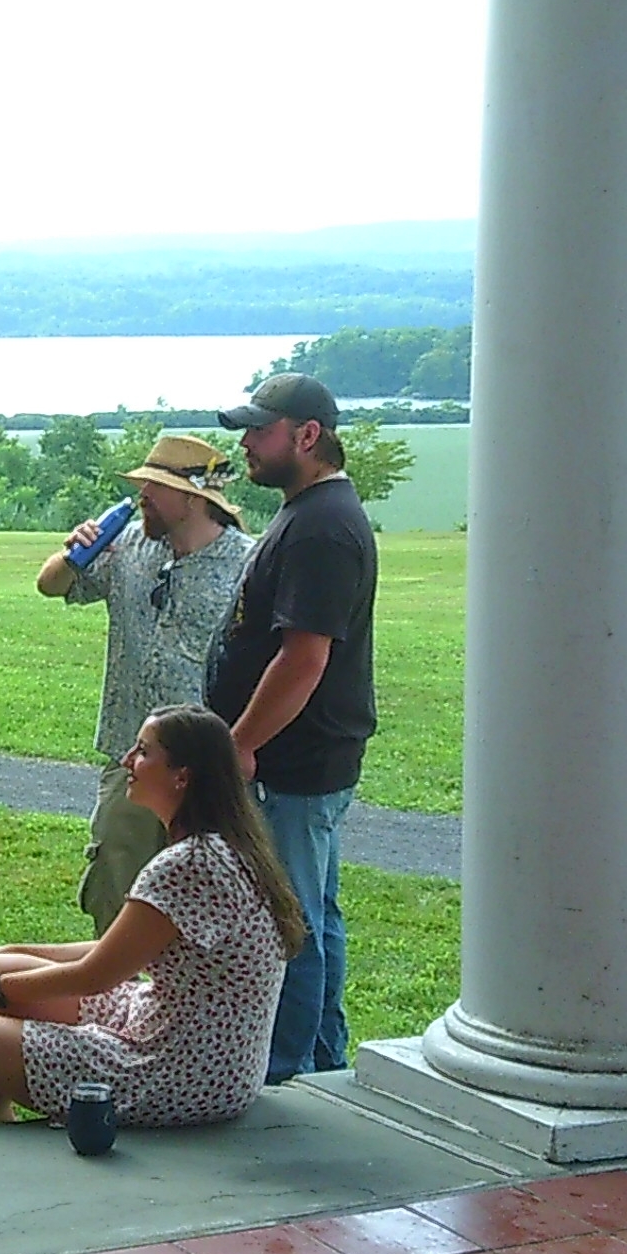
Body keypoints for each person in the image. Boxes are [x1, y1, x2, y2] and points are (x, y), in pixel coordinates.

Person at [0, 707, 302, 1134]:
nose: (126, 761)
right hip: (193, 1046)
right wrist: (9, 955)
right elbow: (119, 949)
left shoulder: (191, 863)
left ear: (183, 775)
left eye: (142, 752)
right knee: (0, 974)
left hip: (182, 1071)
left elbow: (97, 974)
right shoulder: (216, 847)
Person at [204, 371, 379, 1082]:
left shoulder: (322, 529)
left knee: (289, 923)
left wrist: (241, 745)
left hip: (293, 764)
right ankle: (323, 1062)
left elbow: (303, 659)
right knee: (315, 914)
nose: (246, 443)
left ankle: (283, 1072)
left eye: (259, 429)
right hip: (302, 759)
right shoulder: (310, 514)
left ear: (308, 436)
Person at [36, 430, 254, 929]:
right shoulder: (128, 544)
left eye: (154, 487)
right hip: (129, 754)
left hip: (209, 768)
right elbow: (50, 586)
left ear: (194, 499)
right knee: (114, 887)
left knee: (205, 904)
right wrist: (74, 552)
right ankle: (111, 999)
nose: (142, 497)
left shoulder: (247, 563)